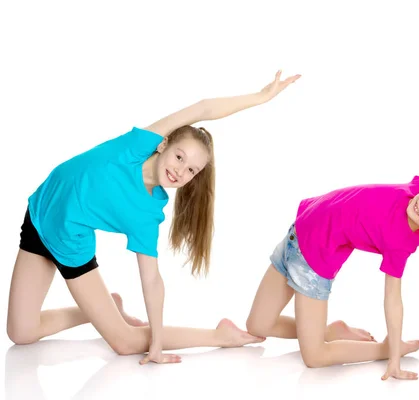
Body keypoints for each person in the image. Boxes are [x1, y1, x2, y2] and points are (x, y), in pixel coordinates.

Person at [6, 70, 301, 365]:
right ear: (163, 144)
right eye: (179, 157)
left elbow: (151, 280)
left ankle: (219, 335)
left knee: (124, 343)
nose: (180, 171)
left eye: (191, 171)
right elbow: (204, 108)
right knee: (21, 332)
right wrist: (261, 97)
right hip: (39, 214)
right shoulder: (138, 146)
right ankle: (102, 308)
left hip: (70, 244)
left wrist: (157, 344)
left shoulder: (147, 215)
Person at [245, 102, 419, 380]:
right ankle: (328, 330)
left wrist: (392, 353)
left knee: (315, 358)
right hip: (296, 234)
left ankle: (379, 349)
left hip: (313, 261)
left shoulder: (401, 243)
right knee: (257, 325)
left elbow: (393, 300)